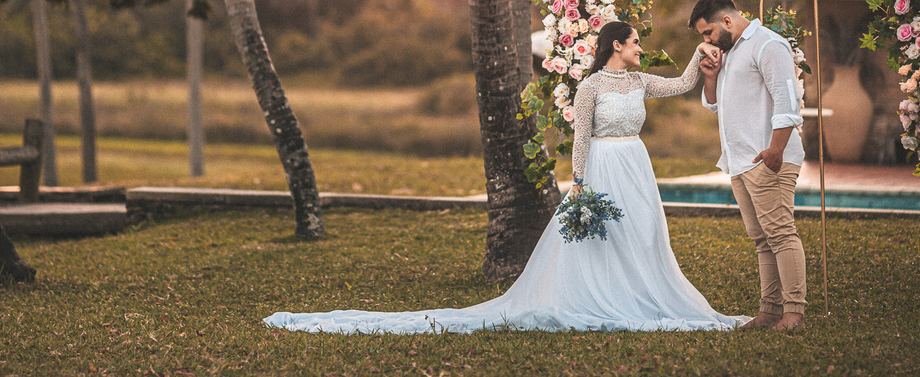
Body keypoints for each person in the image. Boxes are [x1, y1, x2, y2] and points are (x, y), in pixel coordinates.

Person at [263, 21, 748, 334]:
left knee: (640, 233)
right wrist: (578, 181)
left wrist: (701, 55)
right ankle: (599, 294)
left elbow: (684, 84)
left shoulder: (641, 81)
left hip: (636, 165)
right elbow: (580, 138)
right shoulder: (591, 86)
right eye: (636, 42)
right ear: (616, 46)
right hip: (601, 165)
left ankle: (641, 292)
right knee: (597, 236)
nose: (642, 48)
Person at [689, 0, 807, 331]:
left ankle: (794, 314)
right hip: (739, 160)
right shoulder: (731, 52)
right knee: (762, 240)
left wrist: (775, 151)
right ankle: (770, 311)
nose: (707, 41)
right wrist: (711, 75)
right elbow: (715, 105)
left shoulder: (768, 45)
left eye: (707, 33)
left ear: (726, 21)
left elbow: (787, 102)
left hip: (766, 158)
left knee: (781, 234)